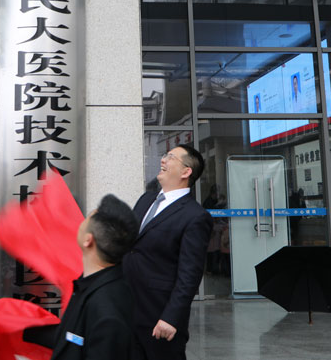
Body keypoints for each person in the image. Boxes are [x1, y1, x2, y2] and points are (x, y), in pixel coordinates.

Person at [122, 145, 213, 360]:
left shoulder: (195, 216)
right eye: (165, 156)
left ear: (186, 172)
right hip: (128, 309)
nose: (163, 160)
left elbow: (190, 274)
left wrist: (171, 317)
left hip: (159, 316)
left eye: (170, 157)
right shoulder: (146, 200)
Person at [26, 194, 138, 360]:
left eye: (87, 218)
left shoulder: (108, 315)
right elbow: (73, 338)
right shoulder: (92, 284)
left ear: (88, 240)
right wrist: (22, 328)